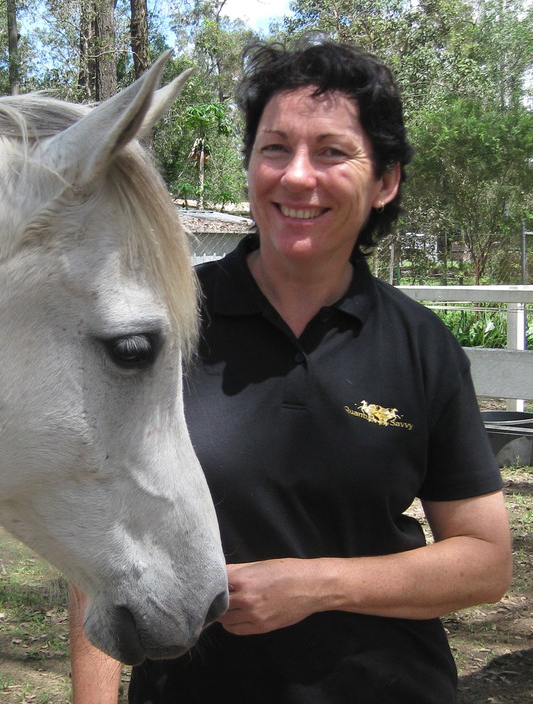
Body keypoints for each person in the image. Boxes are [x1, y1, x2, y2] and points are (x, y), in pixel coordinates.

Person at [69, 38, 513, 704]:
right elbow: (99, 544)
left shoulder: (421, 345)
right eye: (274, 148)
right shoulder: (162, 327)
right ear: (248, 167)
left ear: (385, 181)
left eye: (332, 152)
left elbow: (484, 562)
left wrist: (316, 586)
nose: (297, 176)